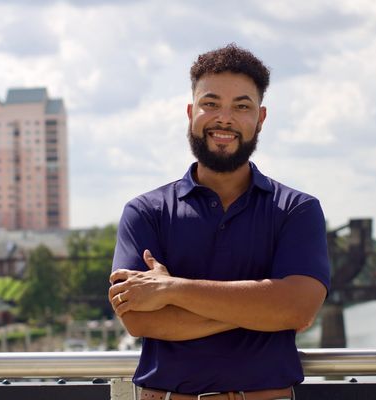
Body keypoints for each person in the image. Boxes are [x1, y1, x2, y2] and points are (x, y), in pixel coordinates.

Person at [109, 44, 330, 400]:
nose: (224, 118)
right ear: (190, 112)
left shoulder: (297, 210)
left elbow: (297, 307)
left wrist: (172, 290)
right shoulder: (145, 211)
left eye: (241, 106)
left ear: (260, 118)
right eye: (210, 104)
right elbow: (139, 319)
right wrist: (266, 308)